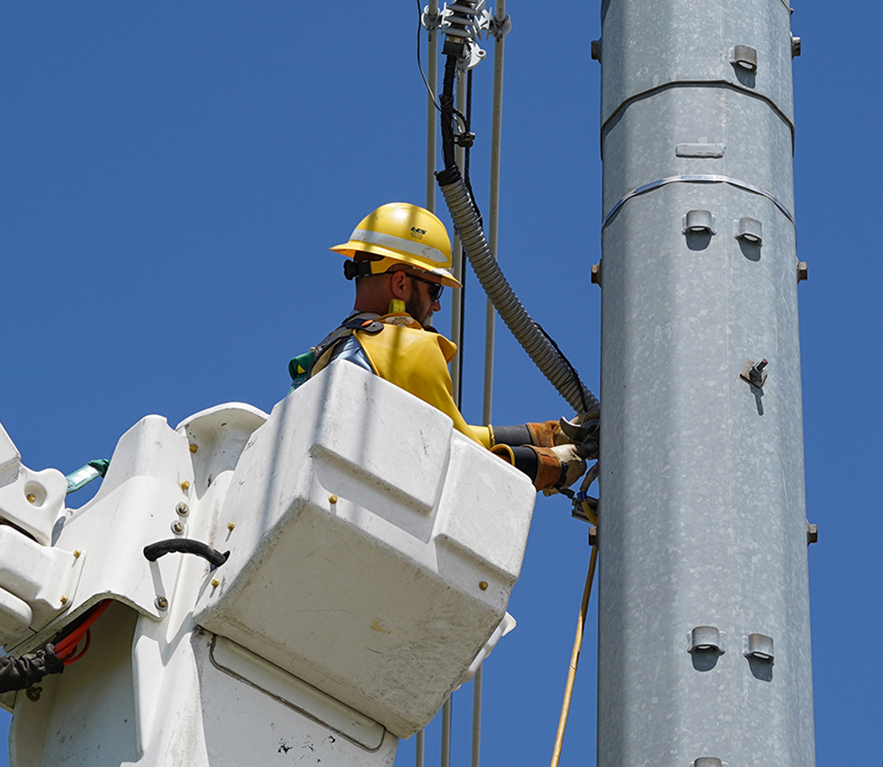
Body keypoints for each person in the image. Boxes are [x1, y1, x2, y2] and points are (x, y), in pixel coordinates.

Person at [290, 202, 590, 493]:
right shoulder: (404, 346)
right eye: (434, 288)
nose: (437, 304)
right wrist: (550, 467)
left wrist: (546, 436)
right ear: (400, 284)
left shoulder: (332, 354)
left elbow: (435, 431)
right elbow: (462, 464)